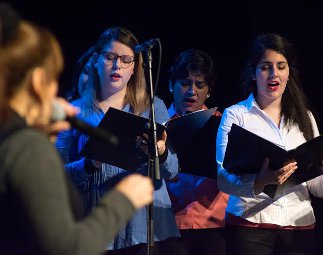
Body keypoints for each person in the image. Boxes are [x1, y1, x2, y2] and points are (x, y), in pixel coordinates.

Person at [0, 3, 154, 255]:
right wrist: (123, 200)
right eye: (55, 78)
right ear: (39, 82)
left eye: (126, 60)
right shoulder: (25, 146)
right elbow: (69, 247)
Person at [216, 33, 323, 255]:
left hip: (299, 226)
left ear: (288, 73)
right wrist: (260, 182)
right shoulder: (236, 115)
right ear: (254, 73)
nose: (274, 74)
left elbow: (316, 187)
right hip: (250, 227)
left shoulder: (305, 117)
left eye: (281, 66)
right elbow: (223, 179)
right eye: (266, 67)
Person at [55, 26, 179, 255]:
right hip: (96, 226)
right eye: (110, 57)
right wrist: (89, 163)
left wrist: (161, 152)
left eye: (125, 60)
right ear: (96, 60)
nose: (117, 66)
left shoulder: (152, 108)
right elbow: (58, 177)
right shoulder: (74, 111)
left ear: (135, 67)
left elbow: (172, 171)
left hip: (142, 226)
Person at [165, 49, 229, 255]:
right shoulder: (158, 122)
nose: (192, 91)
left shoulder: (224, 123)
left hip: (215, 223)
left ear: (208, 91)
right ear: (171, 85)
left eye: (200, 85)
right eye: (184, 83)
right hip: (170, 224)